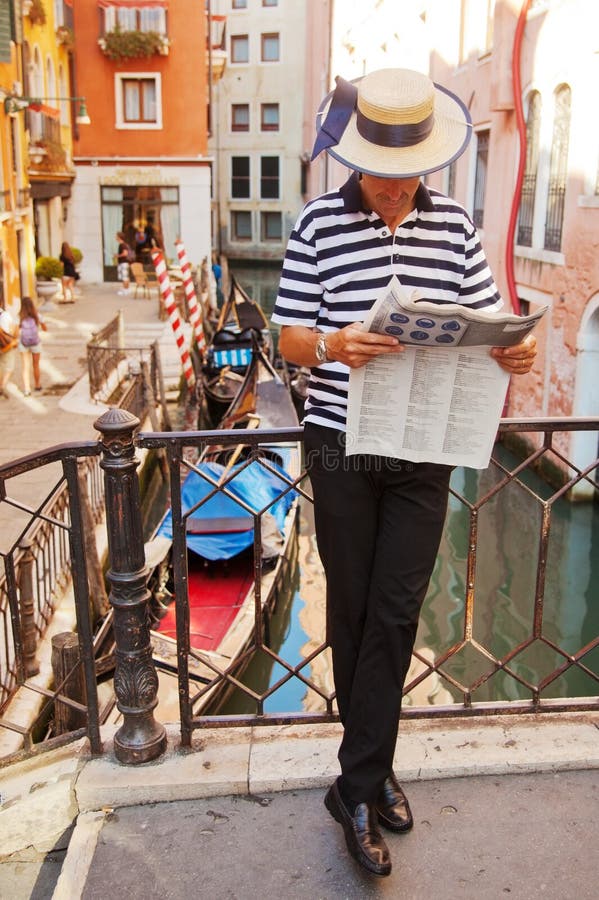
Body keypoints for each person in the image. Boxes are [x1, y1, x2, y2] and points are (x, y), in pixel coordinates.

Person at [271, 68, 537, 878]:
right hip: (340, 445)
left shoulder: (453, 225)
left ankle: (352, 786)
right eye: (384, 168)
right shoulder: (318, 221)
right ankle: (370, 778)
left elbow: (489, 320)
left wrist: (512, 349)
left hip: (423, 447)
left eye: (409, 167)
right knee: (350, 613)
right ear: (359, 157)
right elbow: (288, 336)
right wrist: (332, 345)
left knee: (393, 612)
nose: (396, 184)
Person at [18, 295, 47, 396]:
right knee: (36, 365)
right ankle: (37, 385)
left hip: (23, 343)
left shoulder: (20, 317)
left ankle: (27, 388)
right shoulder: (37, 316)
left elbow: (16, 330)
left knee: (25, 366)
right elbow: (45, 328)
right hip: (36, 343)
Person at [0, 301, 18, 398]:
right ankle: (2, 386)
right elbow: (11, 330)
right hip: (5, 345)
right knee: (9, 367)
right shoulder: (5, 315)